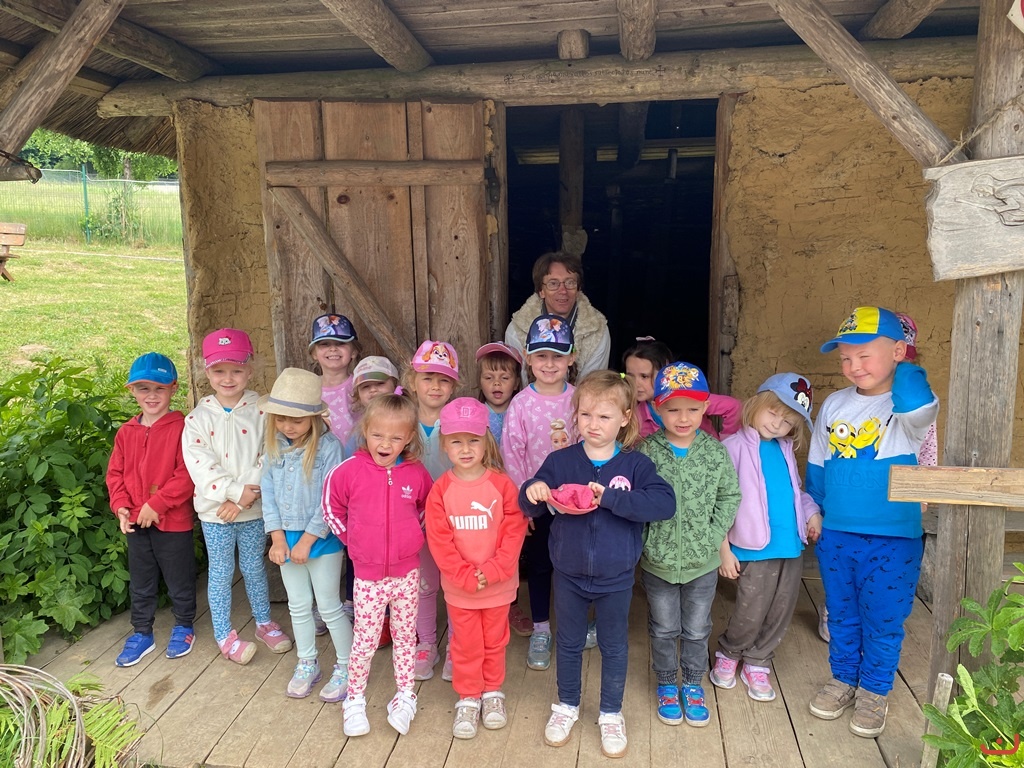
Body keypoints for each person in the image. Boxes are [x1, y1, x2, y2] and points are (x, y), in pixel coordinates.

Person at [519, 371, 675, 758]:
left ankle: (610, 713)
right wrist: (533, 490)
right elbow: (529, 501)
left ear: (624, 418)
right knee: (569, 643)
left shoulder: (636, 465)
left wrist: (610, 499)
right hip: (568, 573)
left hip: (617, 576)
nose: (593, 424)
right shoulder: (560, 461)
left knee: (614, 646)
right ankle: (566, 706)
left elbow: (664, 503)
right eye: (585, 414)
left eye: (604, 416)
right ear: (576, 415)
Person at [807, 306, 938, 738]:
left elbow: (920, 405)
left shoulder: (905, 407)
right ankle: (844, 679)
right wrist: (815, 511)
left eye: (865, 355)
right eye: (846, 357)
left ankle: (874, 690)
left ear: (898, 351)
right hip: (838, 535)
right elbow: (818, 465)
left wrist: (905, 366)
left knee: (882, 619)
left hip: (893, 538)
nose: (853, 366)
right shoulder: (835, 404)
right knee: (842, 614)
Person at [322, 395, 434, 737]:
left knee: (405, 637)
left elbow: (427, 508)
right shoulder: (348, 472)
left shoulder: (416, 473)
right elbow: (331, 508)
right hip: (368, 576)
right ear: (365, 431)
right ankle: (355, 699)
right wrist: (353, 542)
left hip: (407, 573)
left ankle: (405, 695)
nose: (385, 444)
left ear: (409, 438)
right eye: (377, 435)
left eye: (395, 437)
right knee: (365, 640)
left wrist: (412, 537)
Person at [637, 361, 741, 728]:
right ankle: (667, 683)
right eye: (673, 409)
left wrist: (713, 538)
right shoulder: (646, 453)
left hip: (703, 563)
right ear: (657, 409)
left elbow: (729, 496)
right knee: (664, 627)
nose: (683, 418)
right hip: (659, 562)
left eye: (693, 409)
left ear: (706, 408)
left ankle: (693, 684)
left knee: (697, 628)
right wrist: (646, 541)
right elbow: (634, 500)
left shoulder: (715, 453)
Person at [183, 329, 293, 664]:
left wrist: (244, 498)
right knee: (220, 571)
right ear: (206, 371)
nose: (228, 378)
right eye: (219, 370)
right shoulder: (197, 419)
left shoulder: (262, 411)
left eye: (236, 369)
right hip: (216, 513)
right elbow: (200, 463)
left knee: (253, 566)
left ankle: (263, 622)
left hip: (253, 510)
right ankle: (223, 633)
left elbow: (270, 453)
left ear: (250, 368)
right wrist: (231, 494)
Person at [712, 373, 822, 702]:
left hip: (789, 546)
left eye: (787, 421)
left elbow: (795, 492)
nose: (777, 424)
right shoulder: (731, 447)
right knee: (751, 607)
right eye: (773, 413)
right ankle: (730, 652)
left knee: (781, 608)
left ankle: (758, 660)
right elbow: (717, 502)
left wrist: (811, 513)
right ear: (755, 405)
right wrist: (723, 549)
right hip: (753, 547)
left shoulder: (785, 450)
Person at [425, 398, 528, 739]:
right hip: (461, 589)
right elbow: (440, 541)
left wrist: (495, 570)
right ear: (444, 444)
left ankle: (492, 692)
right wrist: (464, 576)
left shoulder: (502, 484)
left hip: (498, 586)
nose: (466, 449)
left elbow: (513, 532)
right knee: (466, 644)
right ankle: (468, 696)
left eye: (473, 440)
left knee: (495, 641)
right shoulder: (440, 491)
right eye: (456, 441)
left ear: (487, 441)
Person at [260, 368, 352, 701]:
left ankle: (348, 666)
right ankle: (307, 662)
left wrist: (307, 540)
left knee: (328, 606)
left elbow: (331, 500)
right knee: (298, 605)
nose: (288, 426)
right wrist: (277, 538)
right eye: (282, 419)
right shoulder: (273, 447)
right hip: (286, 539)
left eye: (296, 420)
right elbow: (268, 494)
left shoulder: (328, 448)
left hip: (321, 539)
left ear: (313, 418)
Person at [107, 353, 197, 667]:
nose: (152, 395)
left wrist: (156, 504)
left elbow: (187, 474)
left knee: (179, 578)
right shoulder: (125, 432)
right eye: (143, 388)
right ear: (132, 390)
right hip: (135, 522)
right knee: (141, 581)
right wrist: (121, 506)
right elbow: (115, 474)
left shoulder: (183, 428)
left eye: (160, 388)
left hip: (173, 522)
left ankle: (184, 625)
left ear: (173, 388)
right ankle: (142, 632)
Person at [501, 315, 577, 671]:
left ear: (571, 358)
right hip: (537, 502)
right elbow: (512, 454)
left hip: (574, 502)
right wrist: (524, 503)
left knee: (574, 565)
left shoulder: (579, 400)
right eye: (542, 356)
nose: (549, 364)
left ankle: (574, 625)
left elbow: (588, 444)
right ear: (528, 358)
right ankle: (542, 628)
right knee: (540, 565)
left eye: (557, 356)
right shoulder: (521, 403)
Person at [403, 339, 460, 681]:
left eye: (443, 380)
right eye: (427, 378)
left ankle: (456, 645)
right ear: (413, 381)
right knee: (423, 584)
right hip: (413, 520)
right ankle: (426, 643)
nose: (435, 386)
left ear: (453, 386)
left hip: (454, 520)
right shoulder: (403, 421)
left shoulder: (459, 421)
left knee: (454, 584)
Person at [341, 354, 400, 641]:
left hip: (396, 513)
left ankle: (395, 619)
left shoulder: (405, 425)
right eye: (366, 387)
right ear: (357, 395)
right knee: (364, 566)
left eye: (380, 383)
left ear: (394, 385)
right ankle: (370, 619)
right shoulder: (357, 434)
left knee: (396, 567)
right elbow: (348, 475)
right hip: (366, 515)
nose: (373, 390)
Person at [505, 252, 610, 384]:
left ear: (578, 289)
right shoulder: (517, 331)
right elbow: (520, 385)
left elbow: (594, 387)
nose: (563, 291)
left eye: (570, 283)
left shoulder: (597, 331)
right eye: (553, 283)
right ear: (541, 291)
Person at [623, 337, 742, 441]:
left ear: (666, 370)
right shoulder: (636, 416)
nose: (635, 384)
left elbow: (732, 406)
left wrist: (728, 443)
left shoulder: (690, 397)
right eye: (630, 376)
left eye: (644, 376)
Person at [311, 312, 361, 446]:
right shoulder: (308, 389)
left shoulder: (360, 386)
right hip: (318, 458)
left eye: (340, 343)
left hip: (354, 457)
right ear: (314, 353)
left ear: (354, 351)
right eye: (325, 344)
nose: (333, 349)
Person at [475, 341, 523, 448]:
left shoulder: (523, 414)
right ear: (479, 382)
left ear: (516, 383)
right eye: (489, 377)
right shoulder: (475, 416)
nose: (496, 382)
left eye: (504, 378)